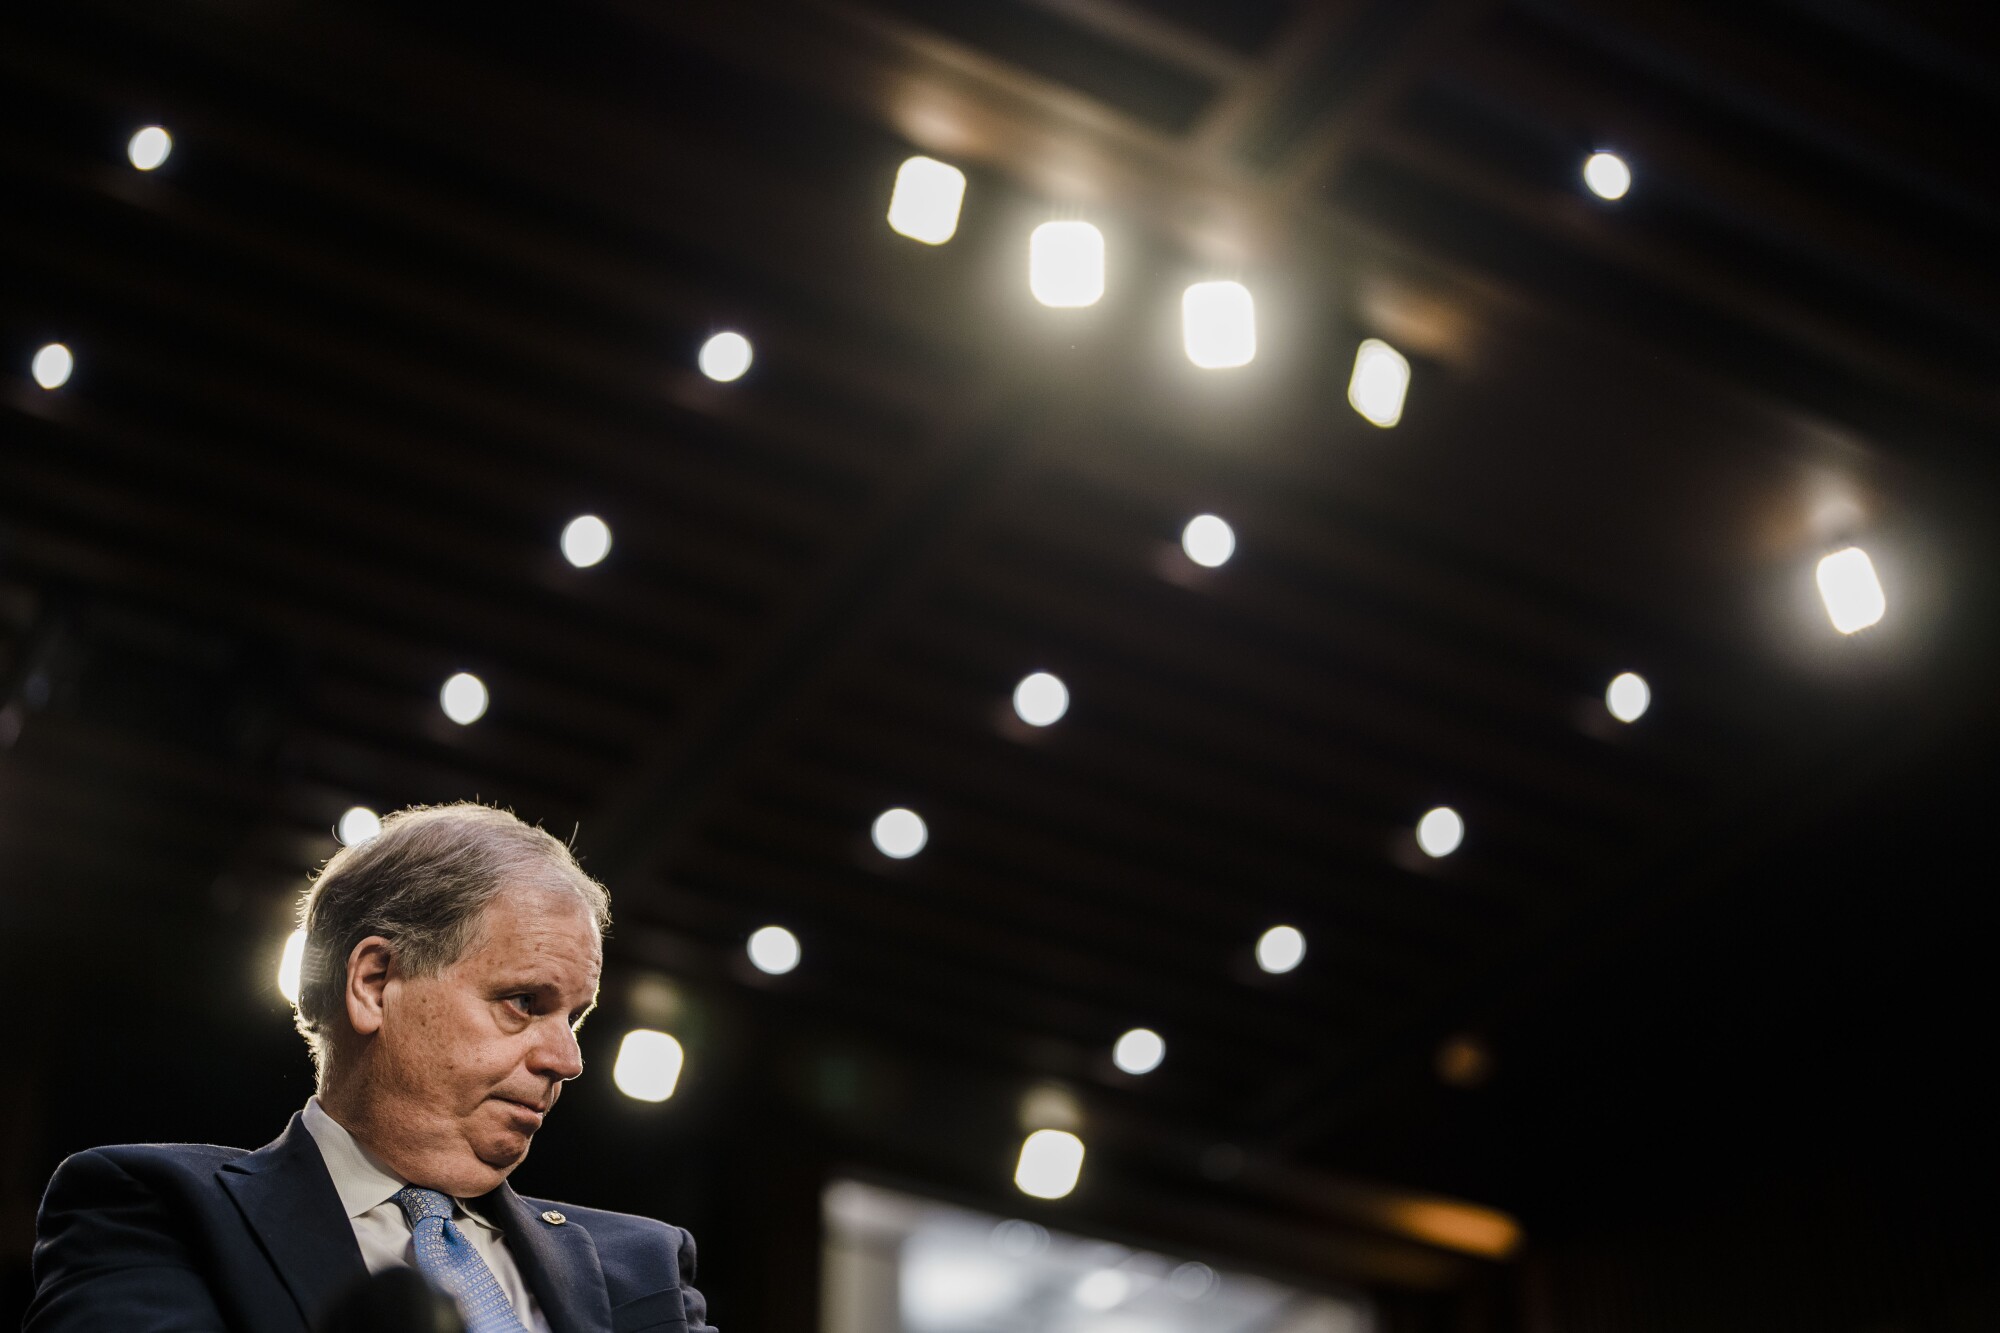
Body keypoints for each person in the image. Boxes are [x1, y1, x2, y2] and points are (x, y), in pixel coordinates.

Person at [24, 802, 715, 1333]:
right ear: (374, 983)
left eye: (576, 1016)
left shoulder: (646, 1264)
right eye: (523, 1001)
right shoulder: (155, 1209)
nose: (566, 1058)